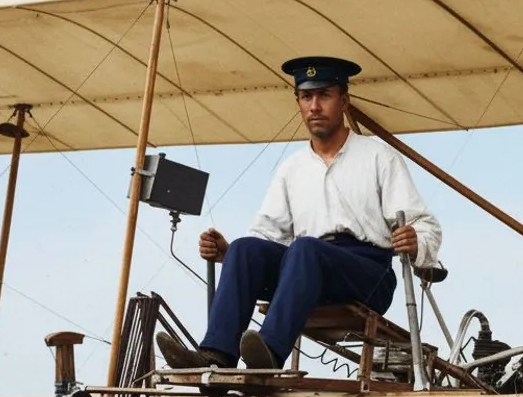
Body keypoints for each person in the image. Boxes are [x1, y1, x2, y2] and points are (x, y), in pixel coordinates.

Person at [156, 56, 442, 371]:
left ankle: (268, 353)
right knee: (244, 248)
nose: (314, 106)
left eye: (324, 95)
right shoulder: (292, 168)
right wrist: (227, 253)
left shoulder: (378, 156)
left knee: (305, 249)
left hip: (367, 272)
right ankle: (216, 355)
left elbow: (425, 225)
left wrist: (415, 241)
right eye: (306, 97)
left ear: (344, 101)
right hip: (306, 268)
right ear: (298, 103)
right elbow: (266, 234)